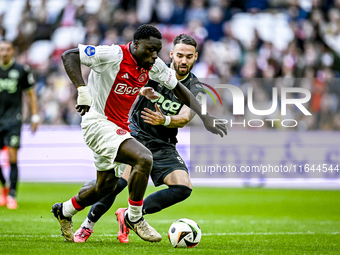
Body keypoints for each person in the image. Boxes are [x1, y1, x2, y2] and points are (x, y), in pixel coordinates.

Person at [51, 25, 226, 243]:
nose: (153, 56)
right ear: (135, 45)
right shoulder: (113, 54)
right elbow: (69, 55)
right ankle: (134, 217)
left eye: (157, 51)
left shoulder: (155, 66)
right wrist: (82, 89)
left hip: (125, 130)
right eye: (149, 50)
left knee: (105, 186)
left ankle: (65, 210)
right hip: (98, 123)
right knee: (143, 158)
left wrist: (206, 117)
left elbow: (179, 89)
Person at [0, 40, 39, 209]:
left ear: (13, 51)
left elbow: (30, 94)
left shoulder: (21, 70)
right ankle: (4, 188)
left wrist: (35, 116)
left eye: (8, 49)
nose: (4, 53)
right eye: (2, 50)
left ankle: (12, 195)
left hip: (13, 119)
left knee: (13, 157)